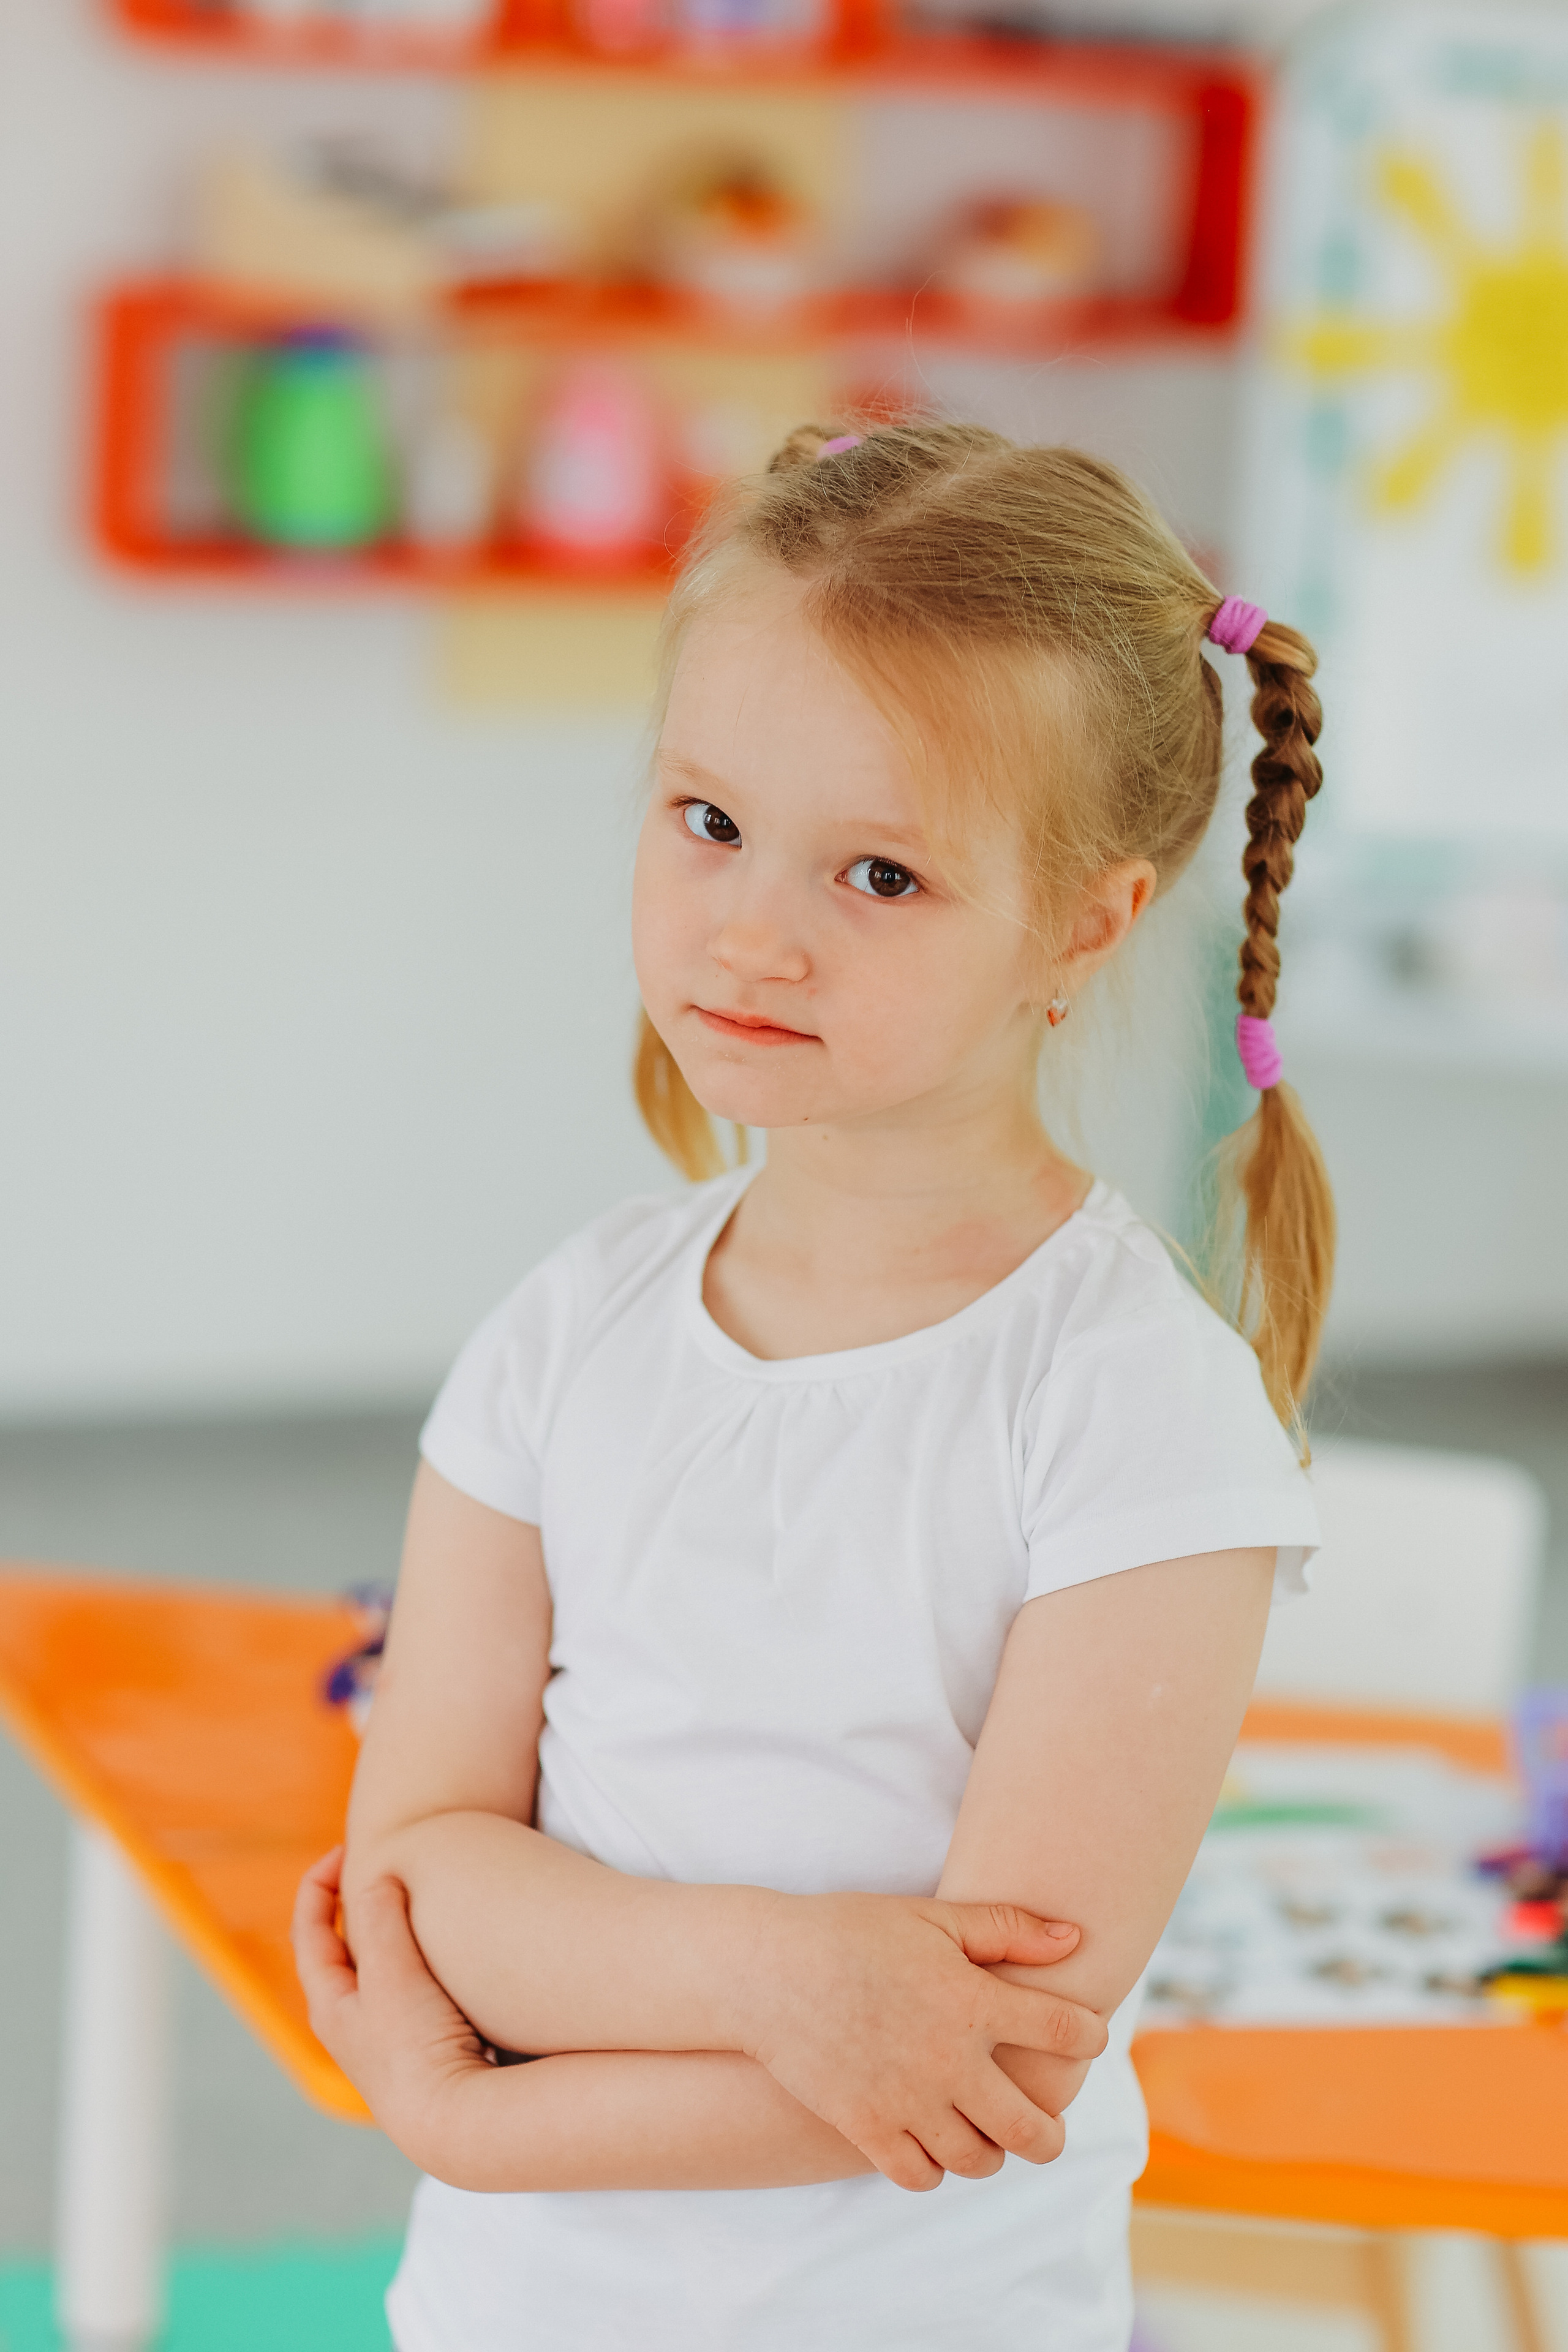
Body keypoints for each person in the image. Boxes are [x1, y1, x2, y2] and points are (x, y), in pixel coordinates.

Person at [293, 422, 1333, 2352]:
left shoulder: (1135, 1411)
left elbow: (981, 2060)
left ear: (1086, 924)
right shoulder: (564, 1332)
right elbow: (426, 1872)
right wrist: (792, 1981)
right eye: (706, 822)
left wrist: (474, 2108)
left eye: (879, 871)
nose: (754, 929)